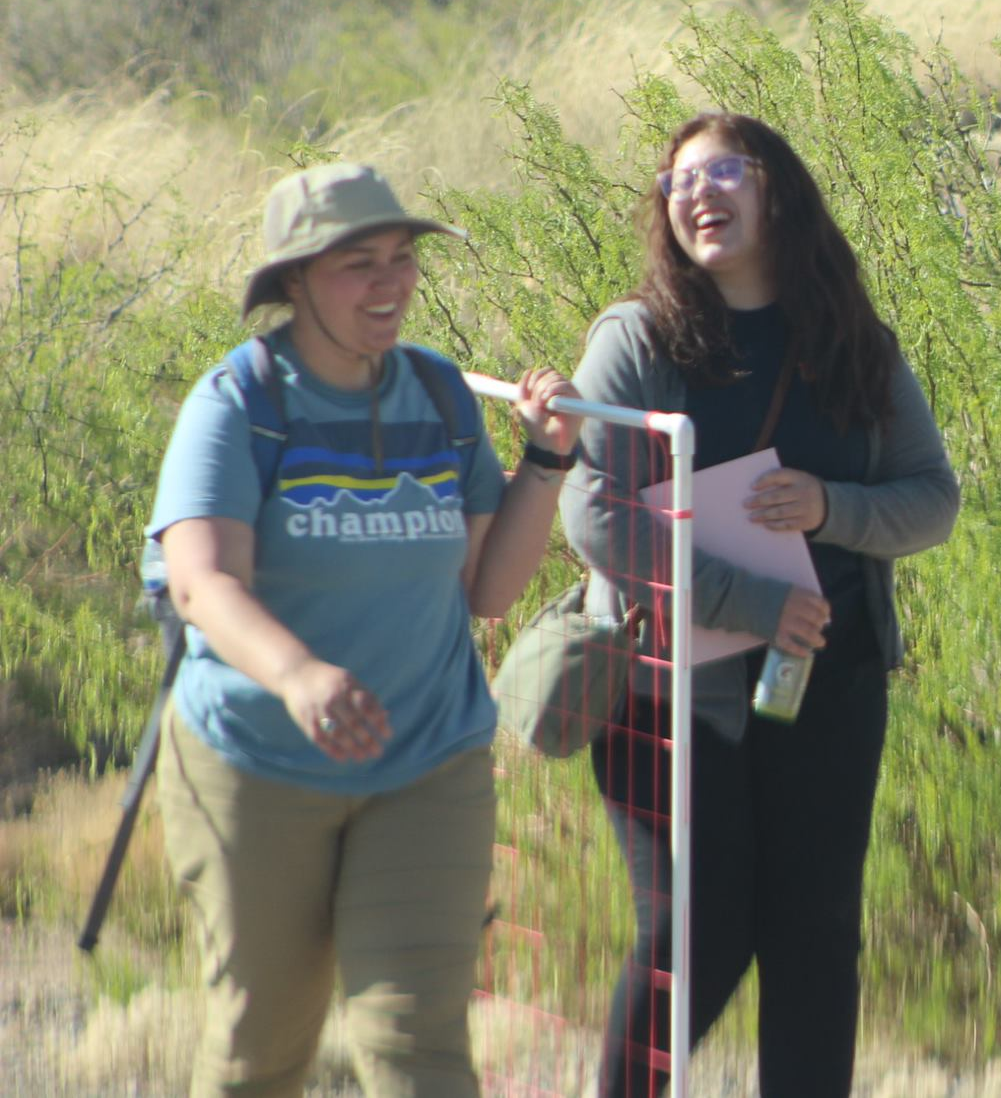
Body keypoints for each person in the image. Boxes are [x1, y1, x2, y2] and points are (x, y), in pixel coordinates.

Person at [150, 162, 585, 1098]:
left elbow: (485, 592)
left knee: (419, 1046)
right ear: (295, 281)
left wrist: (545, 462)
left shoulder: (435, 396)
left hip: (427, 758)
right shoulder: (238, 403)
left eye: (401, 259)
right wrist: (301, 675)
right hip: (255, 762)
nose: (390, 284)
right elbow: (202, 582)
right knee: (260, 1052)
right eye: (359, 264)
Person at [564, 110, 959, 1098]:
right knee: (692, 934)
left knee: (816, 941)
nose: (698, 193)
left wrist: (832, 507)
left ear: (775, 189)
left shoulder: (853, 342)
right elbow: (595, 514)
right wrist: (750, 601)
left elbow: (932, 501)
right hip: (665, 685)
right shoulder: (638, 338)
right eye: (677, 181)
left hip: (830, 678)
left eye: (723, 172)